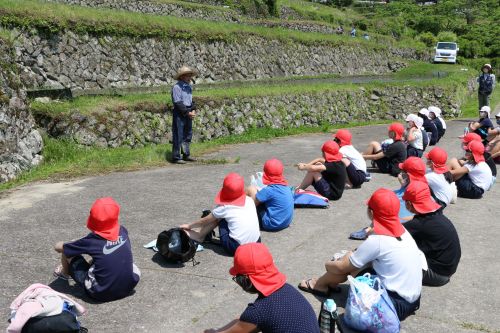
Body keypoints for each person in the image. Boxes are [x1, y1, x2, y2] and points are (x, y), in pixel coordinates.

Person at [299, 188, 423, 321]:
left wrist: (328, 264)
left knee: (348, 263)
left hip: (393, 305)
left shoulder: (378, 240)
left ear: (371, 212)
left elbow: (342, 267)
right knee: (356, 259)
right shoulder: (404, 232)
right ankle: (326, 284)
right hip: (412, 301)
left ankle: (320, 285)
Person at [204, 243, 320, 333]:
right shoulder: (288, 290)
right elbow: (245, 320)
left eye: (237, 277)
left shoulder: (258, 312)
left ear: (246, 279)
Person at [53, 197, 140, 302]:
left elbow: (59, 248)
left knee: (68, 252)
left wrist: (64, 244)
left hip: (100, 292)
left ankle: (64, 274)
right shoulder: (123, 231)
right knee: (110, 256)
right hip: (128, 286)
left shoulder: (91, 241)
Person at [180, 173, 261, 256]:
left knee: (218, 217)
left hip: (235, 247)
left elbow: (204, 221)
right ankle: (200, 235)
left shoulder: (225, 207)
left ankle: (200, 236)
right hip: (256, 243)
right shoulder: (249, 200)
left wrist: (189, 226)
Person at [349, 157, 426, 241]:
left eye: (403, 171)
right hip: (411, 221)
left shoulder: (405, 192)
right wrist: (403, 184)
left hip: (400, 224)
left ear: (407, 175)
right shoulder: (422, 187)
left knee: (383, 202)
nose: (400, 172)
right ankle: (372, 228)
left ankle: (371, 230)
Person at [403, 181, 461, 287]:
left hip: (437, 275)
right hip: (447, 270)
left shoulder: (420, 225)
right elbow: (412, 220)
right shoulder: (434, 215)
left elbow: (393, 232)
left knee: (394, 258)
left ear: (409, 204)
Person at [246, 159, 294, 231]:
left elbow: (255, 202)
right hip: (285, 222)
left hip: (271, 224)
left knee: (251, 189)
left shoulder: (269, 190)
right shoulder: (287, 188)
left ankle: (242, 213)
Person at [171, 66, 198, 164]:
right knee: (178, 134)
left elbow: (191, 101)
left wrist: (193, 110)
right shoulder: (177, 87)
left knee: (188, 134)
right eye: (187, 75)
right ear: (182, 77)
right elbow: (178, 102)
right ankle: (176, 156)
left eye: (190, 75)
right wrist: (188, 112)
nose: (189, 77)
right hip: (180, 113)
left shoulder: (188, 87)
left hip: (188, 112)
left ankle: (186, 154)